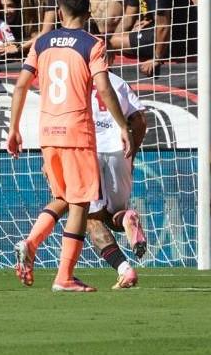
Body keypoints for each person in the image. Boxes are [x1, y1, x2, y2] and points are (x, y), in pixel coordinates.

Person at [7, 0, 133, 292]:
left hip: (47, 131)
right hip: (76, 131)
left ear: (60, 13)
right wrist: (122, 127)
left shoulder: (41, 42)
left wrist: (13, 129)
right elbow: (103, 89)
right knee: (80, 205)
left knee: (64, 197)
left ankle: (32, 241)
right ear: (88, 14)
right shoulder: (93, 44)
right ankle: (64, 276)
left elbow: (22, 85)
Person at [85, 50, 148, 290]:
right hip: (119, 152)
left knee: (91, 220)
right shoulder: (119, 82)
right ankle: (127, 217)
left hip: (88, 151)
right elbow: (140, 119)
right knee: (115, 215)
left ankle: (125, 269)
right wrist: (132, 152)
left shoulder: (80, 80)